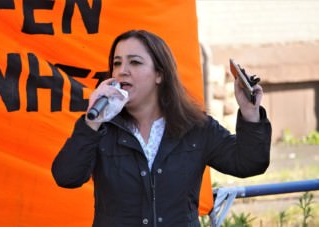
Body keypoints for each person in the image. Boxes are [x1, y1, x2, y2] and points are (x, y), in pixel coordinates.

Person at [52, 29, 272, 227]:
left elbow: (249, 163)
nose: (122, 71)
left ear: (160, 74)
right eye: (117, 63)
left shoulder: (195, 127)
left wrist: (249, 112)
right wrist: (92, 122)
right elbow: (66, 176)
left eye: (135, 62)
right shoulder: (102, 129)